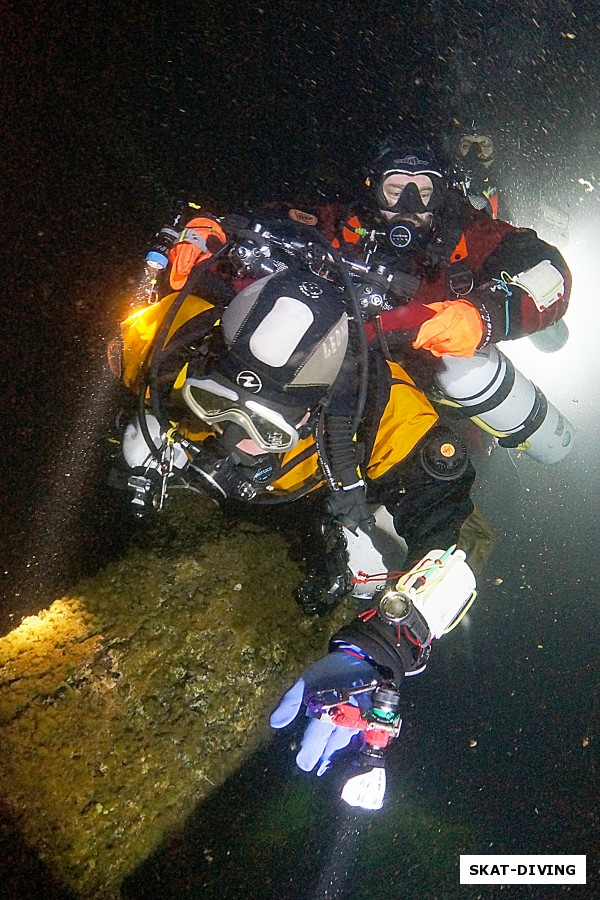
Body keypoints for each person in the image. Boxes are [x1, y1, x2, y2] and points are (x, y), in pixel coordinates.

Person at [112, 133, 572, 806]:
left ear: (445, 191)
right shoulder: (168, 340)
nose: (408, 202)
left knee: (446, 407)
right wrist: (202, 234)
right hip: (334, 367)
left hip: (389, 386)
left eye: (422, 187)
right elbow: (234, 237)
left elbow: (546, 274)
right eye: (393, 187)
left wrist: (380, 646)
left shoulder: (467, 251)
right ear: (370, 187)